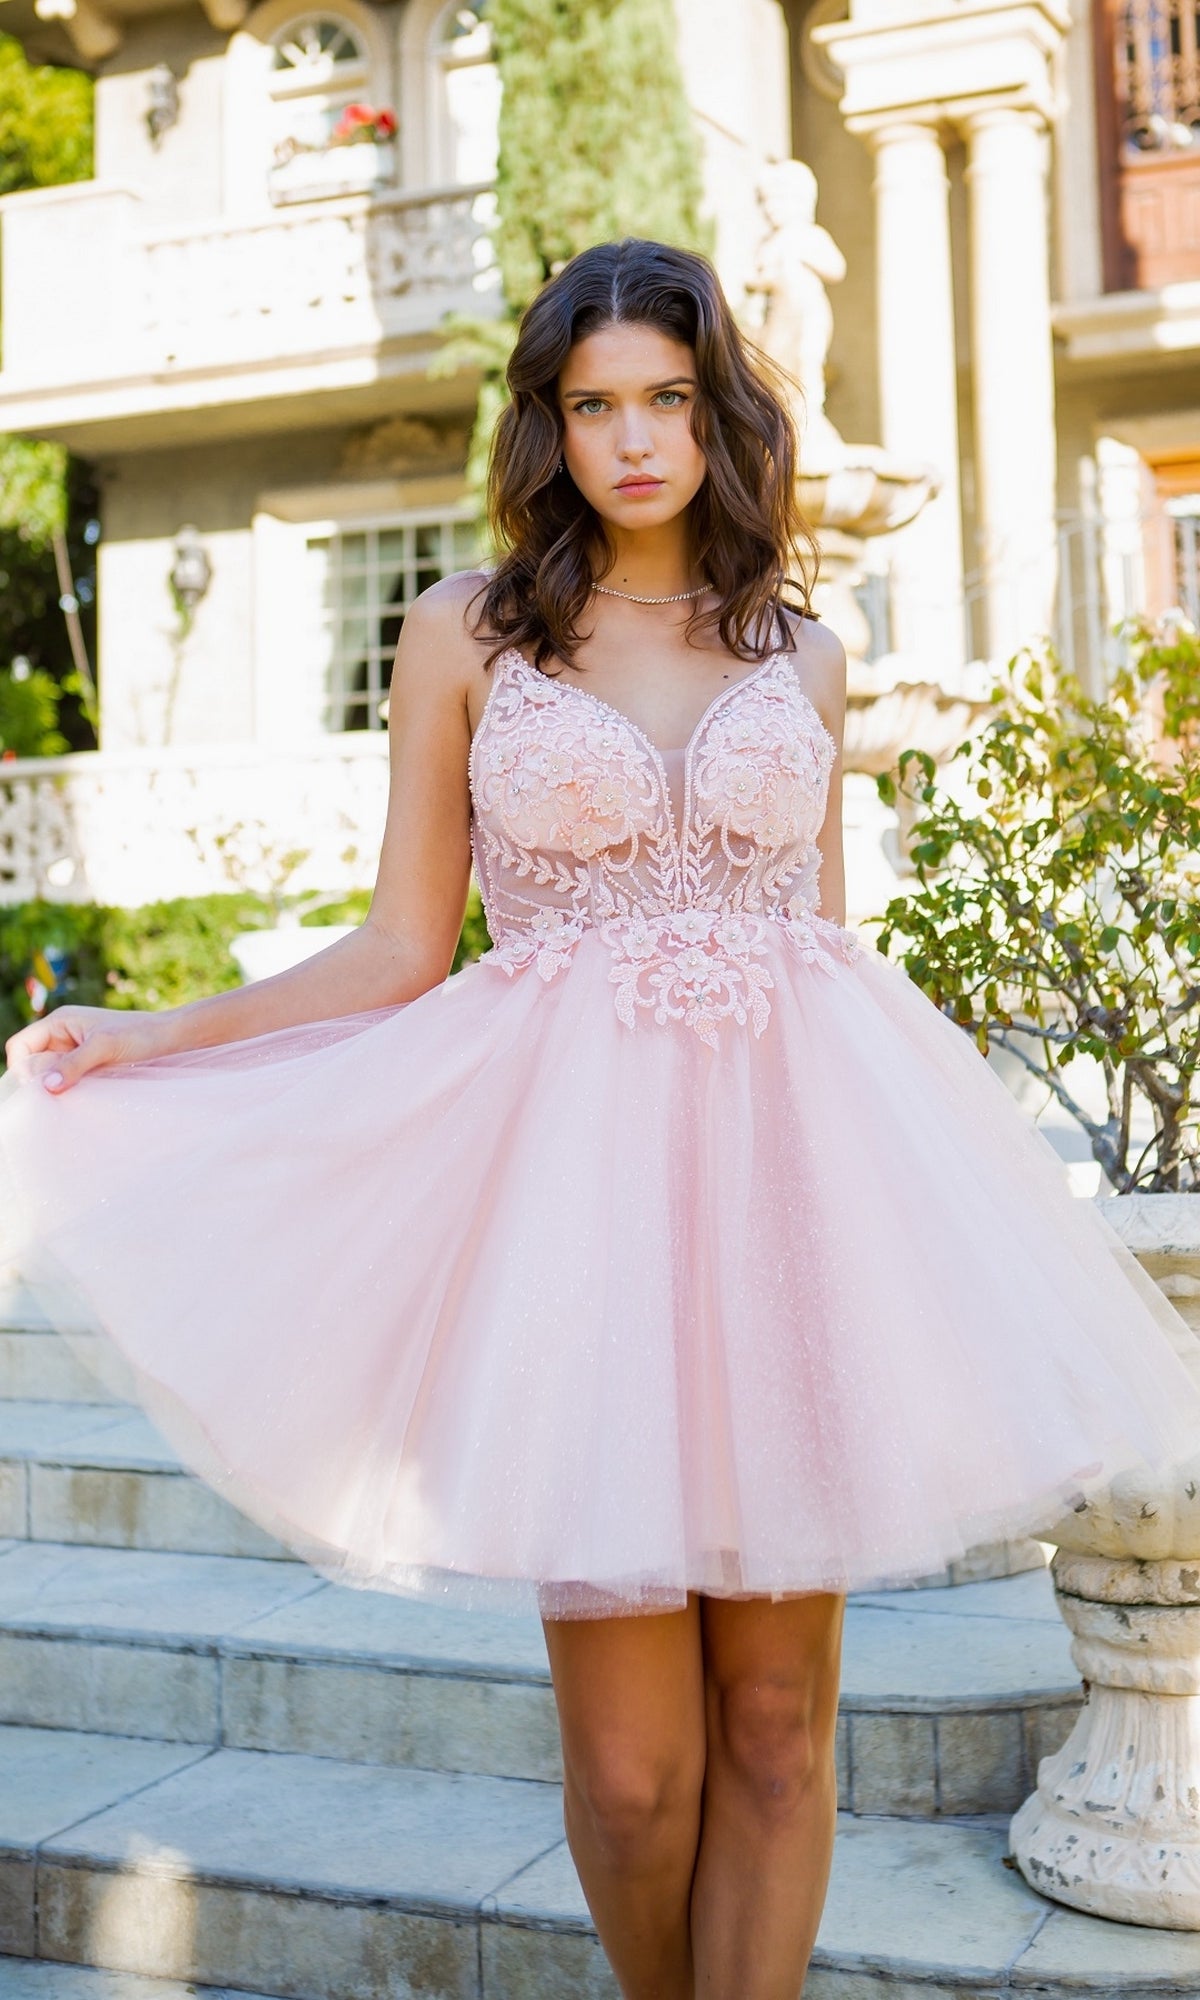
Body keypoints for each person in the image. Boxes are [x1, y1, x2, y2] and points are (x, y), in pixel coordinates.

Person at [3, 238, 1200, 2000]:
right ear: (549, 426)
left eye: (664, 398)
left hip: (794, 1200)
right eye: (591, 405)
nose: (632, 440)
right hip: (583, 1231)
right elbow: (409, 943)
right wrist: (162, 1035)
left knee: (784, 1731)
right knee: (638, 1784)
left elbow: (821, 939)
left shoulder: (807, 646)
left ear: (718, 413)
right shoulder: (467, 634)